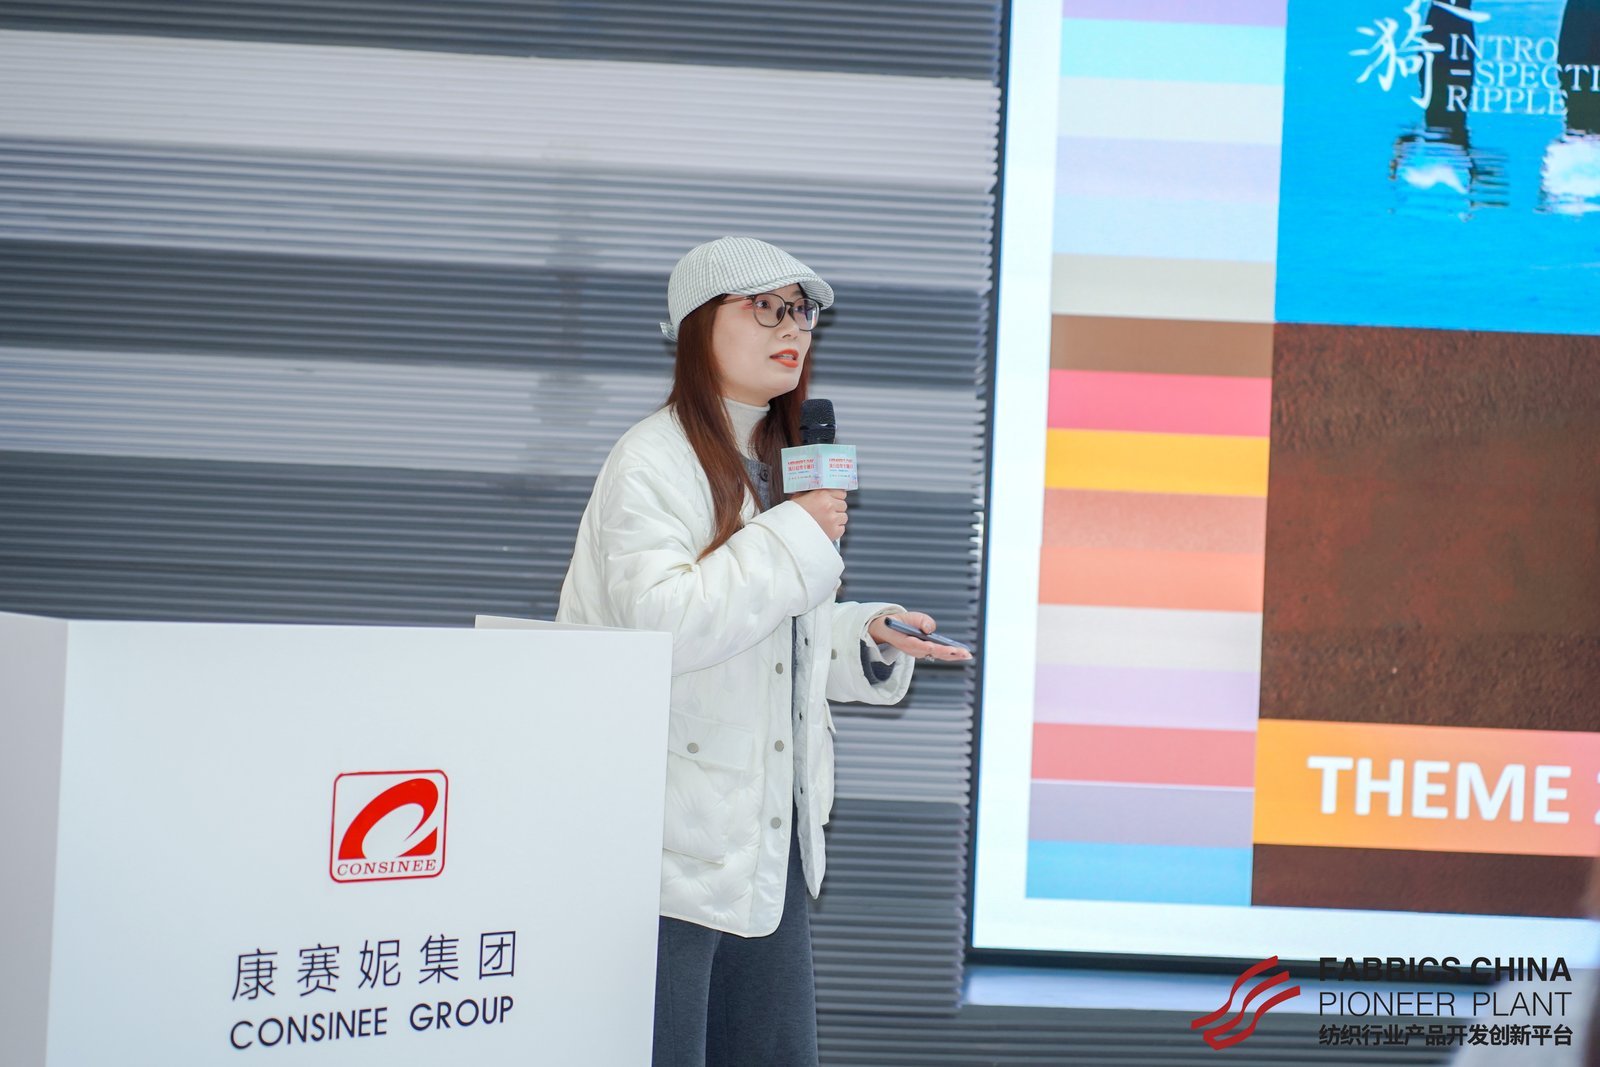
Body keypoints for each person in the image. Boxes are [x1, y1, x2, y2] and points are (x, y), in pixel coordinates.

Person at [556, 235, 972, 1065]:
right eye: (767, 307)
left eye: (803, 312)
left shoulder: (773, 462)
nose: (794, 328)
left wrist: (862, 635)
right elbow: (664, 627)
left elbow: (761, 637)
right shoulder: (651, 459)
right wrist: (794, 534)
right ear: (698, 325)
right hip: (662, 853)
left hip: (761, 839)